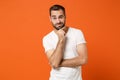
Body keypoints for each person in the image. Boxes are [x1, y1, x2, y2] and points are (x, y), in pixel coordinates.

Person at [42, 4, 88, 80]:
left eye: (60, 17)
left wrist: (57, 63)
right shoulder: (47, 38)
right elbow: (54, 63)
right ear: (50, 19)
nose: (58, 21)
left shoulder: (77, 33)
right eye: (54, 18)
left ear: (65, 16)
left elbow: (83, 59)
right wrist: (61, 39)